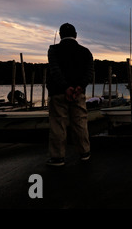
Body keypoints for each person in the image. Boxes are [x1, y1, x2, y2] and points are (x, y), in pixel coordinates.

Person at [46, 23, 94, 166]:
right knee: (80, 123)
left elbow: (55, 70)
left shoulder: (53, 49)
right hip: (78, 93)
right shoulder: (86, 52)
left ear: (60, 35)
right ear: (76, 35)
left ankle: (57, 157)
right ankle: (85, 152)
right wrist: (79, 87)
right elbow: (89, 73)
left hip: (58, 93)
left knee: (58, 124)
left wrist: (66, 87)